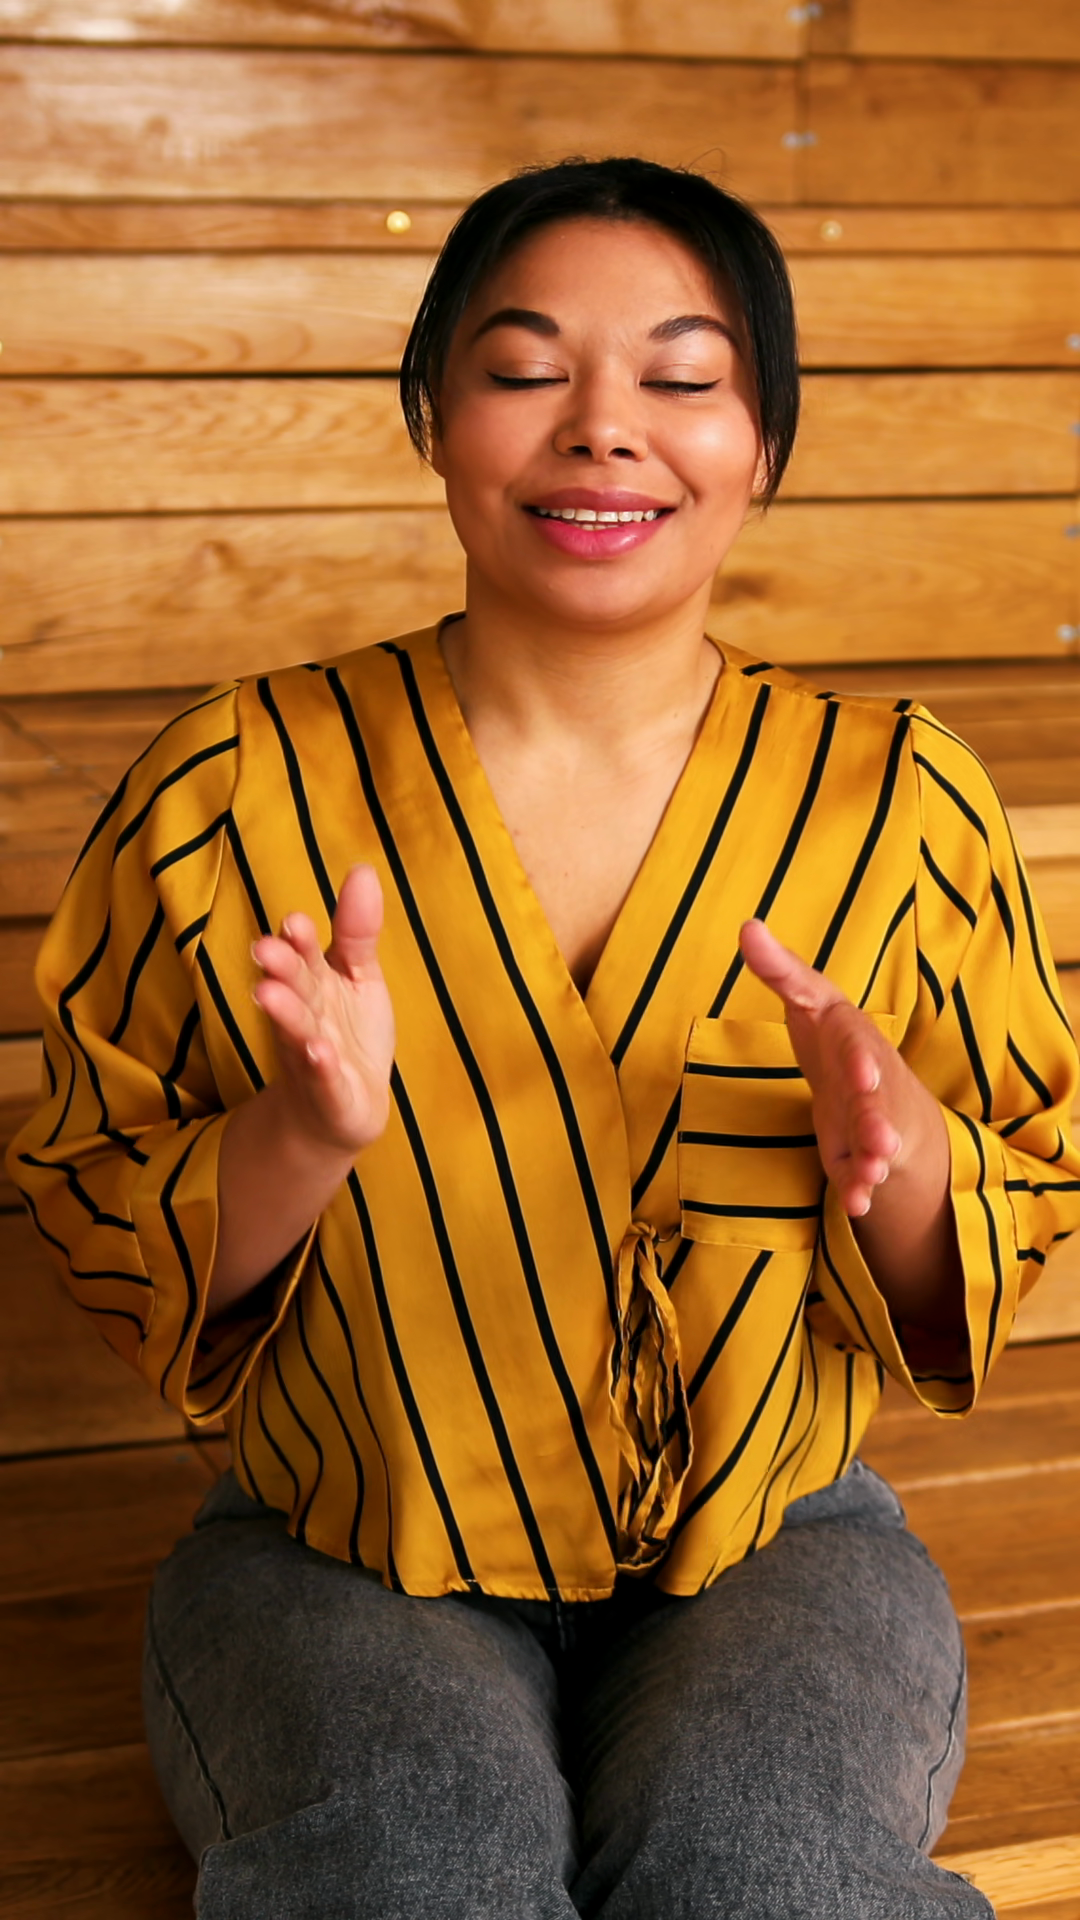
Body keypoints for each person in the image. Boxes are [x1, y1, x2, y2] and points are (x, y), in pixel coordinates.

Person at [9, 156, 1080, 1920]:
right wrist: (299, 1138)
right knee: (415, 1874)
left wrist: (898, 1146)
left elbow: (1007, 1209)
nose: (602, 429)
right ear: (434, 418)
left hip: (775, 1543)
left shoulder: (902, 805)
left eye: (682, 378)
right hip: (338, 1543)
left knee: (770, 1878)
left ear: (763, 443)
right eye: (524, 370)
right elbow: (96, 1194)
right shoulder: (231, 788)